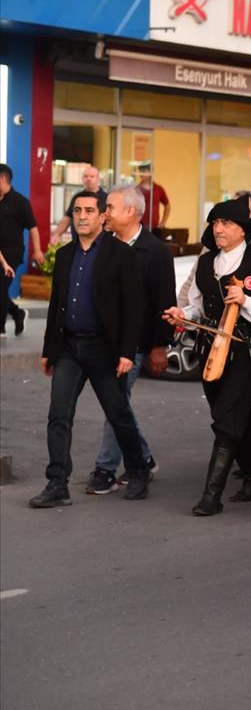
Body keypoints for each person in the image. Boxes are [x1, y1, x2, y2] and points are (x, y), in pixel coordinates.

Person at [163, 196, 251, 516]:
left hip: (247, 351)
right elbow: (198, 307)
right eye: (215, 223)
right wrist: (181, 313)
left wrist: (245, 300)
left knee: (226, 419)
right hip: (211, 351)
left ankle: (210, 496)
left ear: (243, 229)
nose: (218, 229)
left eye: (226, 223)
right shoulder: (206, 263)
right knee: (232, 412)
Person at [32, 190, 150, 508]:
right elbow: (57, 303)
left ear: (102, 217)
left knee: (118, 414)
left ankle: (139, 470)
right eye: (77, 210)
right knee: (59, 415)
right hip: (69, 348)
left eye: (89, 210)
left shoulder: (121, 254)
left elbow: (133, 308)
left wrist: (127, 352)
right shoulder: (66, 254)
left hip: (105, 349)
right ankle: (57, 484)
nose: (82, 216)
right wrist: (49, 350)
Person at [83, 186, 174, 495]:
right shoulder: (102, 245)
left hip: (136, 344)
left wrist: (160, 346)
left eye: (110, 207)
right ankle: (144, 459)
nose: (104, 213)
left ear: (132, 212)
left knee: (116, 404)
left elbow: (164, 299)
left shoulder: (156, 251)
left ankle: (106, 469)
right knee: (118, 405)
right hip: (104, 341)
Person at [0, 163, 43, 335]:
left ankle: (1, 327)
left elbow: (33, 227)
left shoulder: (20, 202)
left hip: (12, 252)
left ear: (3, 178)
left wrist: (38, 250)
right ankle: (17, 313)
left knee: (1, 285)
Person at [51, 166, 106, 243]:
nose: (88, 179)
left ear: (98, 179)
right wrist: (56, 235)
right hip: (77, 244)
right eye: (86, 176)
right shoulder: (77, 198)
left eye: (92, 176)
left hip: (99, 244)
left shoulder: (106, 198)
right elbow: (68, 218)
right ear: (82, 179)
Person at [135, 163, 171, 230]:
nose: (141, 174)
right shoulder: (136, 189)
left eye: (144, 171)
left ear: (150, 172)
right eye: (140, 171)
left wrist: (163, 222)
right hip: (139, 227)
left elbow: (167, 206)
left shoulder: (158, 189)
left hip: (155, 228)